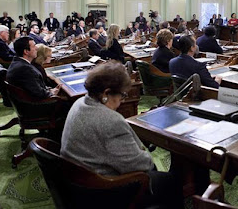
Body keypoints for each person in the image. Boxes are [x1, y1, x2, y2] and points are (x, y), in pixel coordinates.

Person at [60, 62, 183, 208]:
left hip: (79, 184)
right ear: (106, 93)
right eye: (122, 95)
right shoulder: (110, 121)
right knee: (172, 181)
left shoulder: (80, 103)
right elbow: (141, 165)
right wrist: (145, 154)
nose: (121, 101)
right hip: (104, 191)